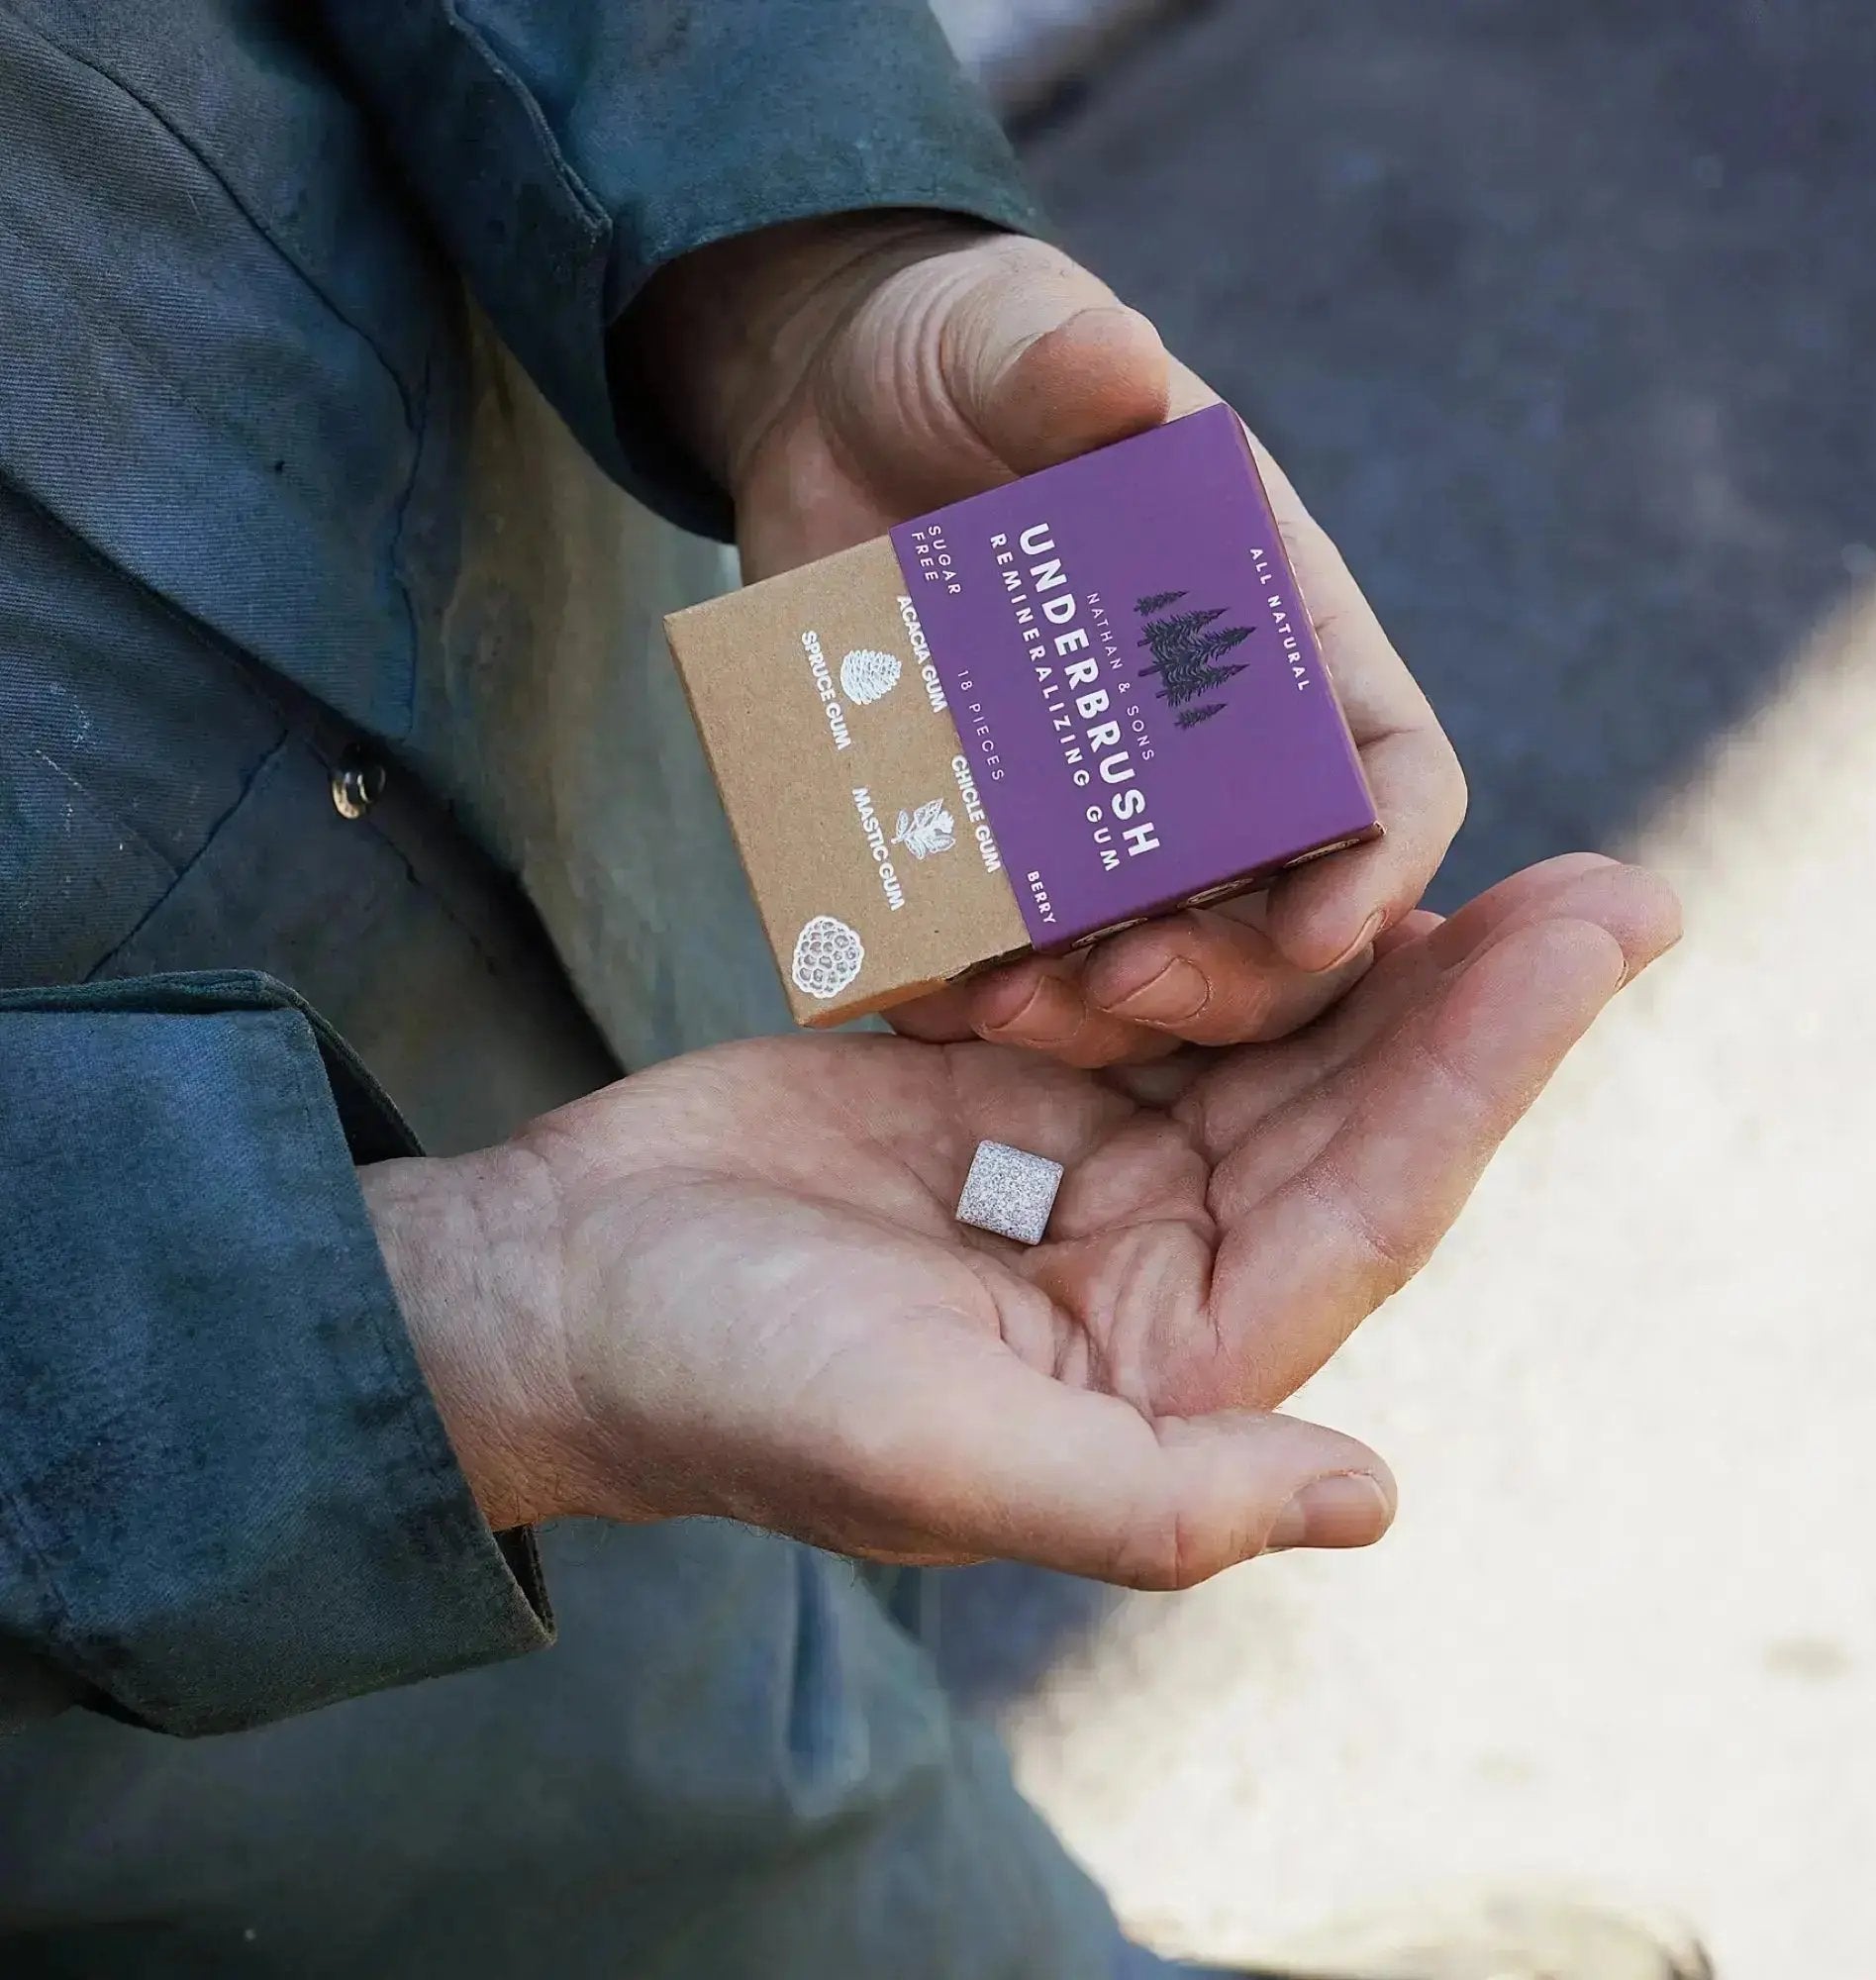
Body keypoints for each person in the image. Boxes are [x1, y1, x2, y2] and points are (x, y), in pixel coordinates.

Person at [0, 4, 1687, 1975]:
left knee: (879, 1581)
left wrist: (794, 276)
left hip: (581, 725)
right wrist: (438, 1319)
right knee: (691, 1849)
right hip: (166, 1634)